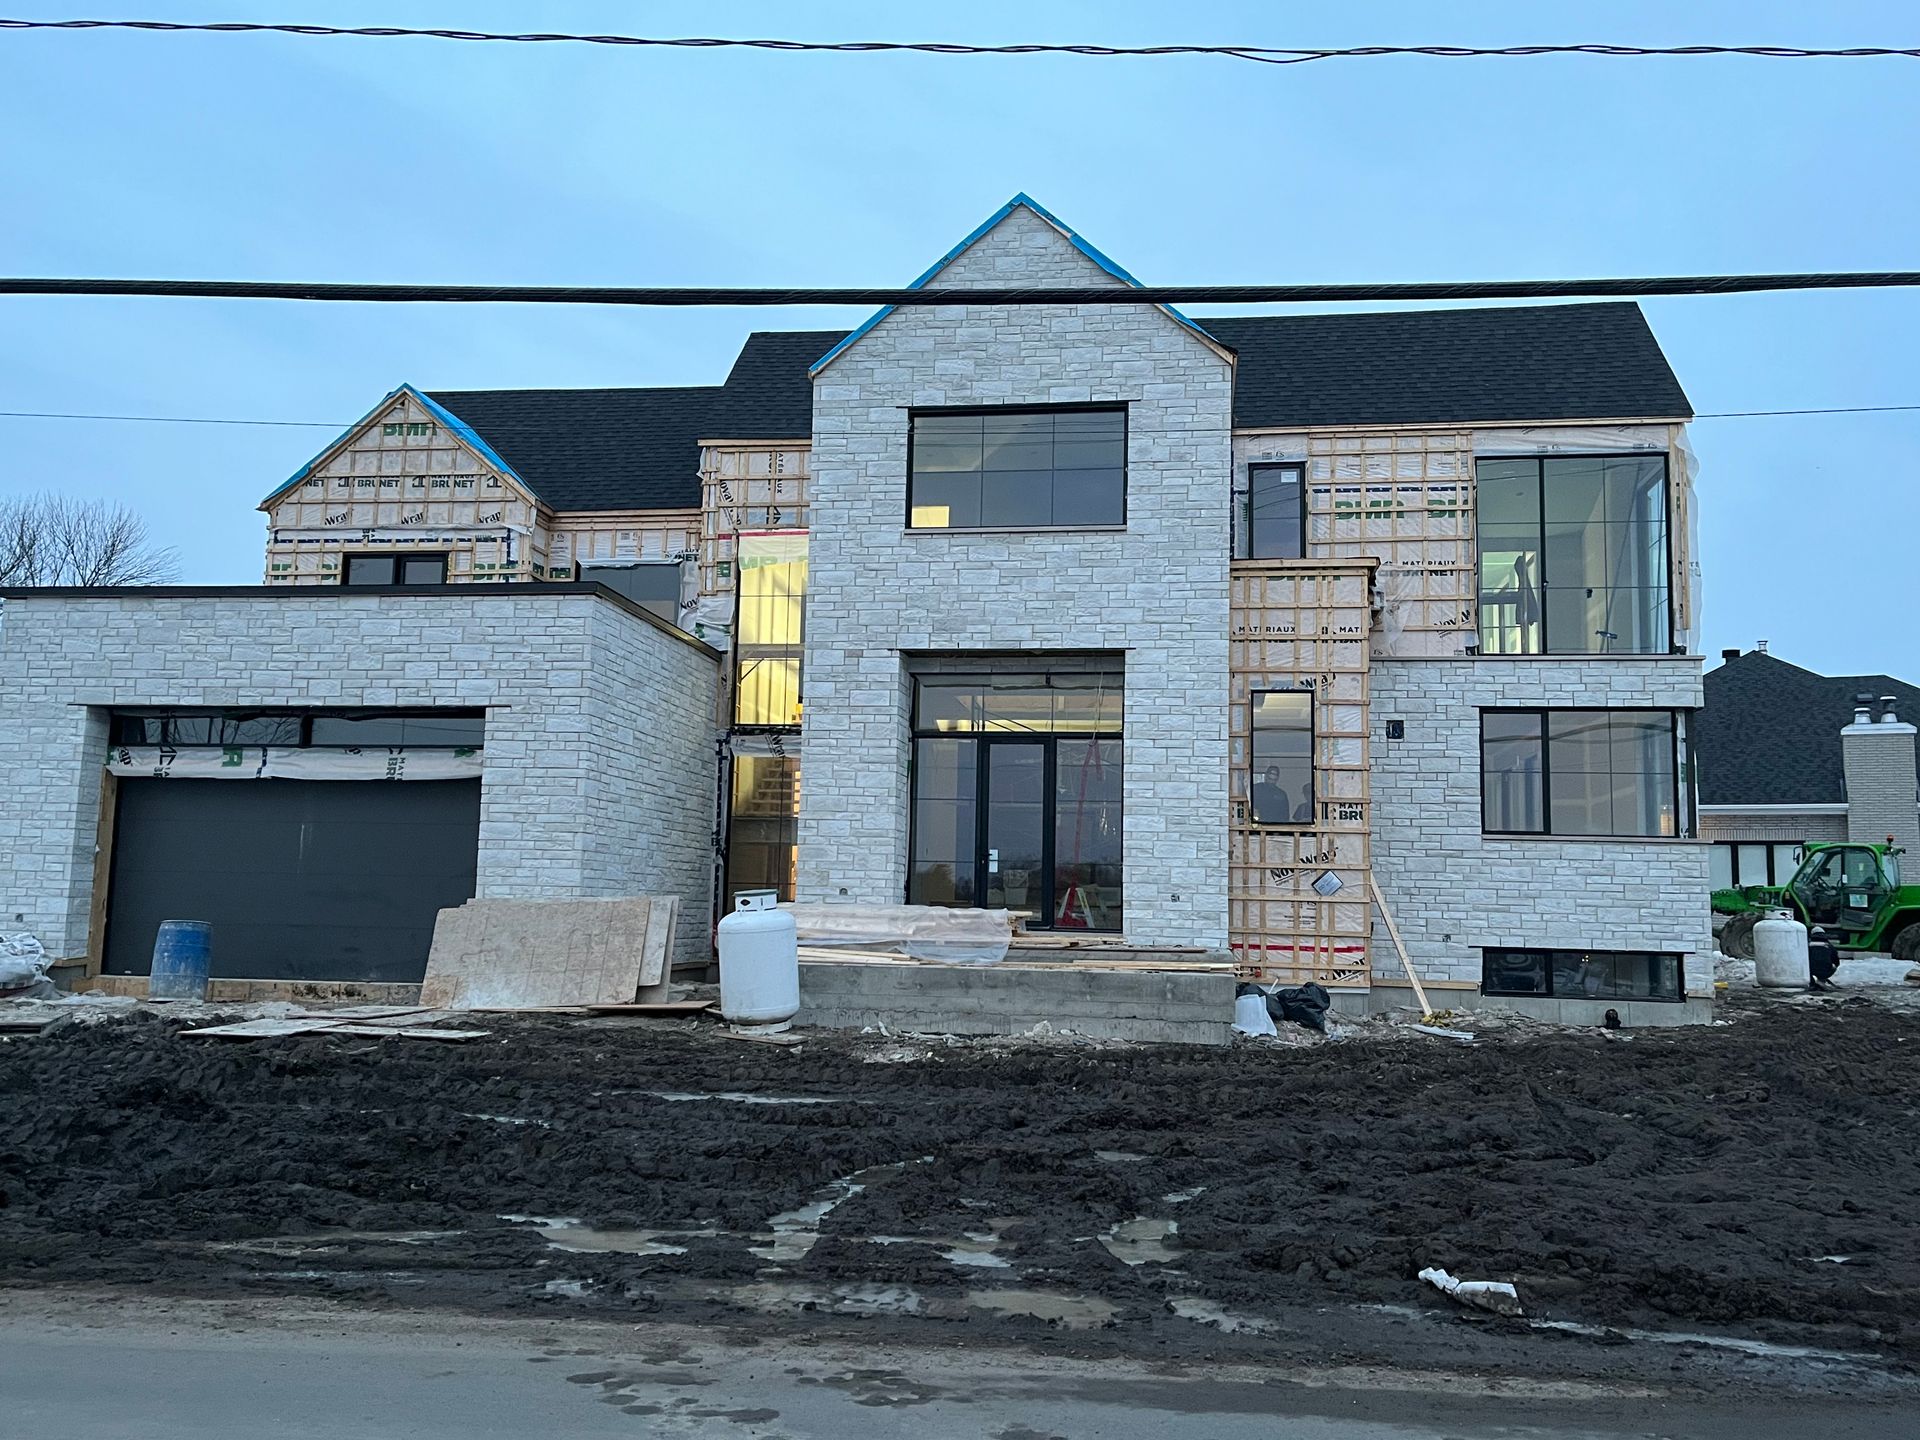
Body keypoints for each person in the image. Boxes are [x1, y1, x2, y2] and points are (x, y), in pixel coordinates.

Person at [1808, 925, 1841, 991]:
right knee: (1832, 967)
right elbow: (1836, 962)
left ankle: (1812, 982)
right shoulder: (1829, 945)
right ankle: (1822, 980)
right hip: (1826, 971)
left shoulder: (1808, 944)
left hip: (1811, 971)